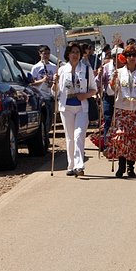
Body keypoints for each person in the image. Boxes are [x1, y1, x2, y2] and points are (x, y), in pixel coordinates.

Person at [102, 44, 136, 177]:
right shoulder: (119, 73)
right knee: (122, 138)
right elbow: (110, 91)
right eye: (129, 55)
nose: (132, 58)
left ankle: (130, 166)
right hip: (122, 109)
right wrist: (113, 81)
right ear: (124, 58)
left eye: (134, 56)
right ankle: (121, 165)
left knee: (133, 138)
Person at [52, 42, 97, 177]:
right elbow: (55, 93)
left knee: (79, 135)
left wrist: (86, 95)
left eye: (77, 52)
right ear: (68, 54)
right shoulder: (61, 70)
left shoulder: (86, 69)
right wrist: (54, 83)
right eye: (73, 52)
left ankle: (79, 165)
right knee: (70, 138)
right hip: (66, 108)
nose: (75, 55)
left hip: (82, 107)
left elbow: (94, 89)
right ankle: (70, 165)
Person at [30, 45, 58, 146]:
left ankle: (46, 135)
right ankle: (44, 138)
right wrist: (42, 80)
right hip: (41, 96)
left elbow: (56, 81)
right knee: (44, 118)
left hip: (50, 95)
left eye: (48, 53)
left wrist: (53, 82)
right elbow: (32, 83)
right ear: (40, 54)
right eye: (44, 53)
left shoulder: (53, 67)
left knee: (50, 118)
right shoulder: (36, 67)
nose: (46, 55)